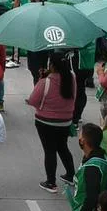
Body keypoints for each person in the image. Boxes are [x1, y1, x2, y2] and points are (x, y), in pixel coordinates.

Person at [26, 51, 77, 193]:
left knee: (49, 151)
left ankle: (51, 182)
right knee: (63, 147)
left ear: (52, 65)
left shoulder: (45, 82)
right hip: (65, 121)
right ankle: (71, 175)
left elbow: (33, 100)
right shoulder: (72, 77)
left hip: (46, 122)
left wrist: (42, 78)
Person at [70, 123, 107, 211]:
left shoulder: (92, 167)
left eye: (80, 135)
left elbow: (92, 196)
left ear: (83, 141)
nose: (79, 138)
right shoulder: (97, 156)